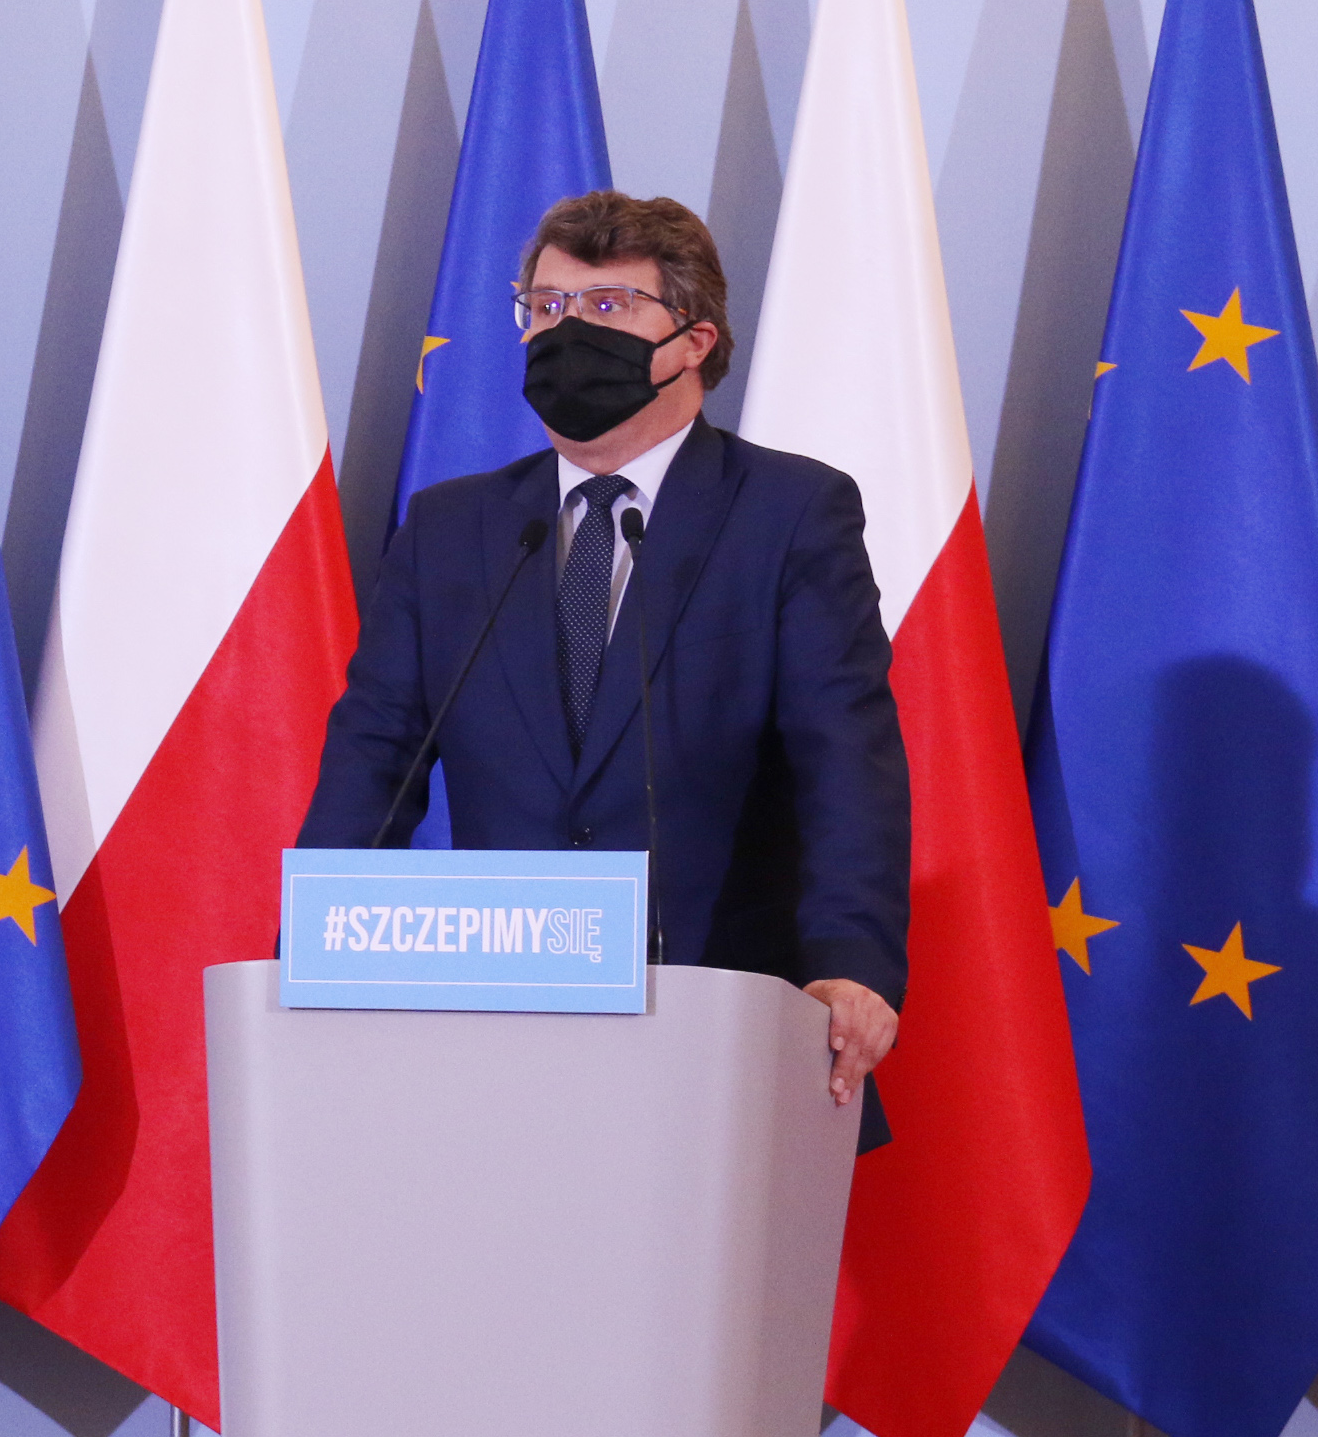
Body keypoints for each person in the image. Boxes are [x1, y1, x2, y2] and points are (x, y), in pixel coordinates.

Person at [301, 190, 910, 1123]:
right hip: (490, 1042)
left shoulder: (790, 515)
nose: (566, 332)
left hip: (721, 1031)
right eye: (546, 307)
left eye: (607, 305)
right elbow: (372, 760)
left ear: (695, 341)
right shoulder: (452, 530)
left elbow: (845, 760)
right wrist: (309, 960)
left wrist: (851, 964)